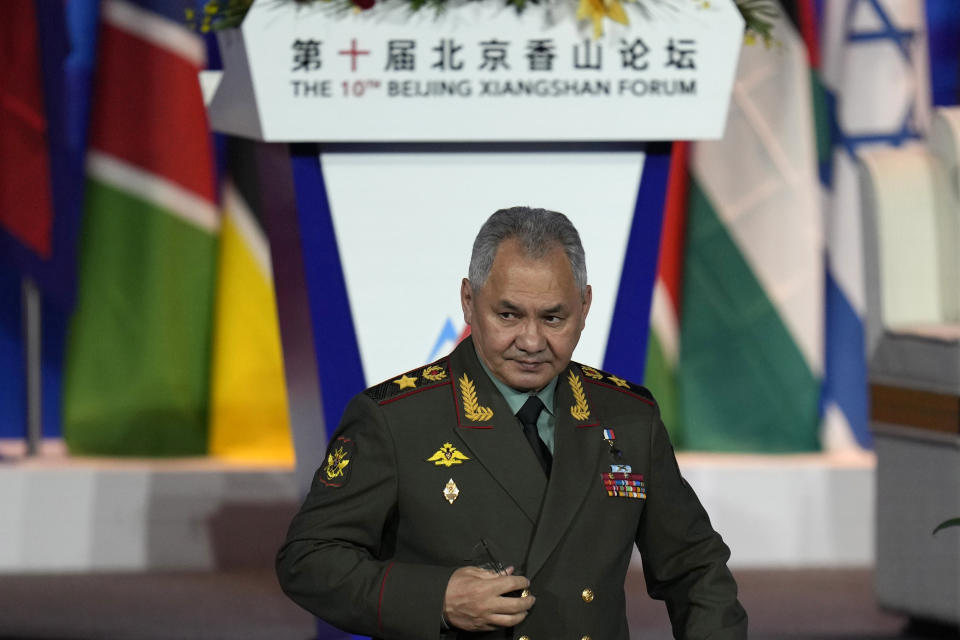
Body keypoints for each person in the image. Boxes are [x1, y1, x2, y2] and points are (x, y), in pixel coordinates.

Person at [277, 207, 747, 639]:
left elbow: (694, 566)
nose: (531, 340)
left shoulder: (627, 417)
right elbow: (308, 559)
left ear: (584, 307)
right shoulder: (396, 420)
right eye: (508, 314)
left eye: (553, 318)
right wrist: (437, 598)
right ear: (468, 301)